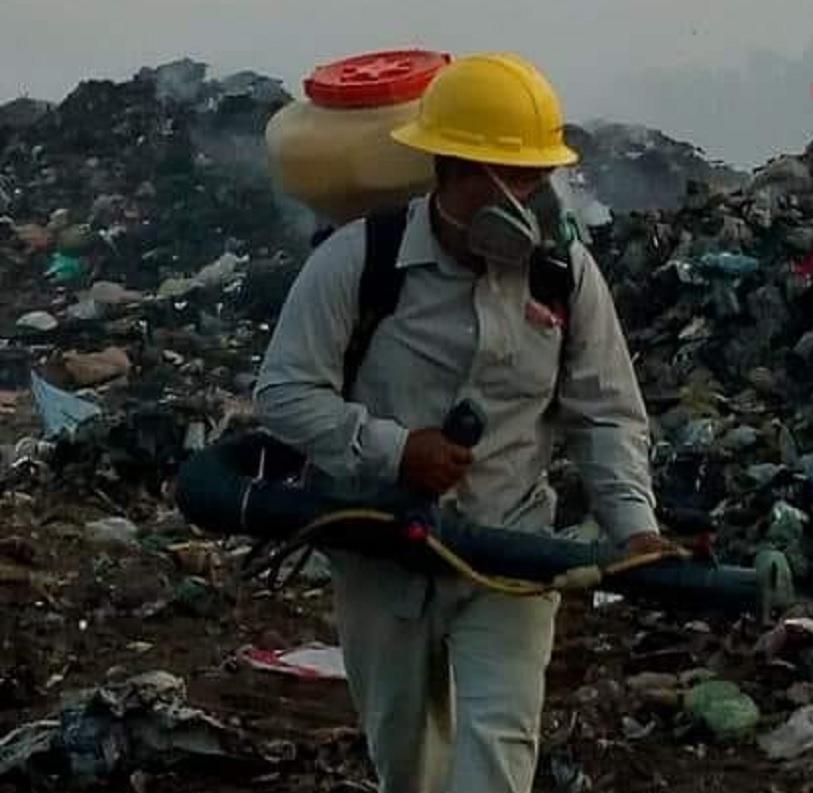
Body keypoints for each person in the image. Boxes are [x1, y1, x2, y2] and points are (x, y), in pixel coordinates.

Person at [254, 51, 674, 793]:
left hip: (508, 553)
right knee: (409, 763)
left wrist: (634, 527)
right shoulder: (361, 262)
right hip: (382, 553)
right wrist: (394, 450)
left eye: (533, 178)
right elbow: (285, 393)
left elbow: (605, 411)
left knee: (496, 754)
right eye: (503, 178)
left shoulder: (563, 274)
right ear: (447, 169)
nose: (525, 198)